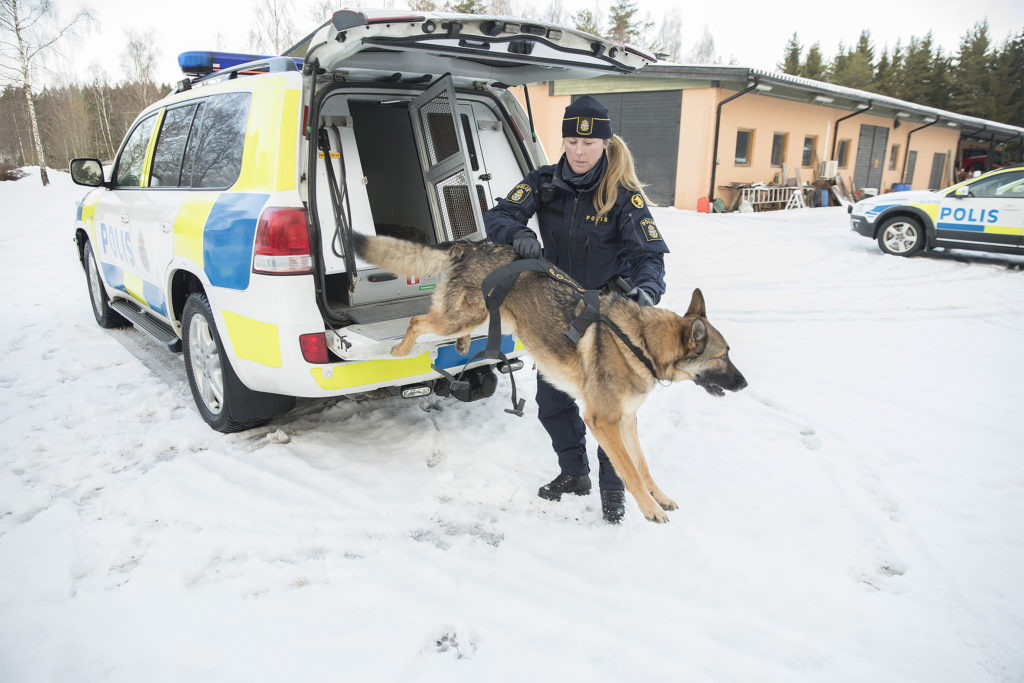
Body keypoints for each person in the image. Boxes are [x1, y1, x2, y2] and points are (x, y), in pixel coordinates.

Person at [484, 95, 670, 524]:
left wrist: (646, 290)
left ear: (605, 143)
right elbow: (500, 215)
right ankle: (573, 473)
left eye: (589, 143)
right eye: (570, 141)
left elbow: (650, 256)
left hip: (609, 316)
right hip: (556, 309)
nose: (579, 151)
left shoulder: (623, 195)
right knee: (552, 404)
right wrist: (517, 235)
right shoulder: (544, 181)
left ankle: (613, 489)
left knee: (609, 411)